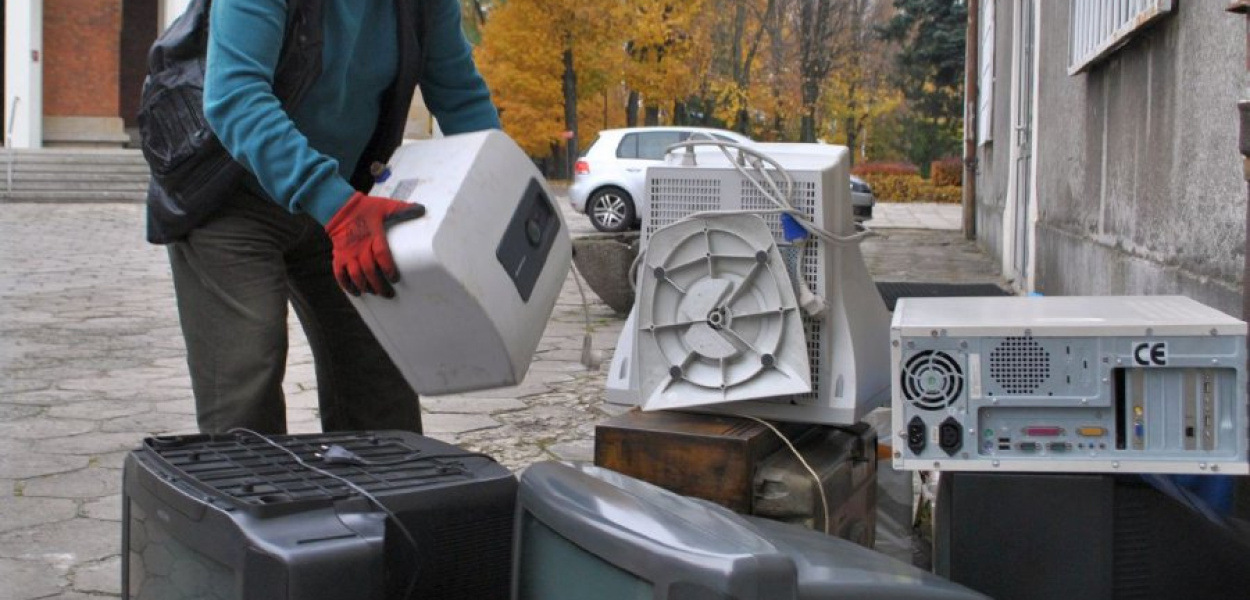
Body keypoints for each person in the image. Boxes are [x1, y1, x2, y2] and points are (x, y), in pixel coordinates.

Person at [166, 0, 500, 434]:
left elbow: (460, 95)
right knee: (247, 375)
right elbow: (236, 98)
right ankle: (255, 496)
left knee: (380, 374)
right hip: (231, 195)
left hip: (345, 196)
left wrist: (506, 198)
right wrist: (336, 207)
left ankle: (384, 498)